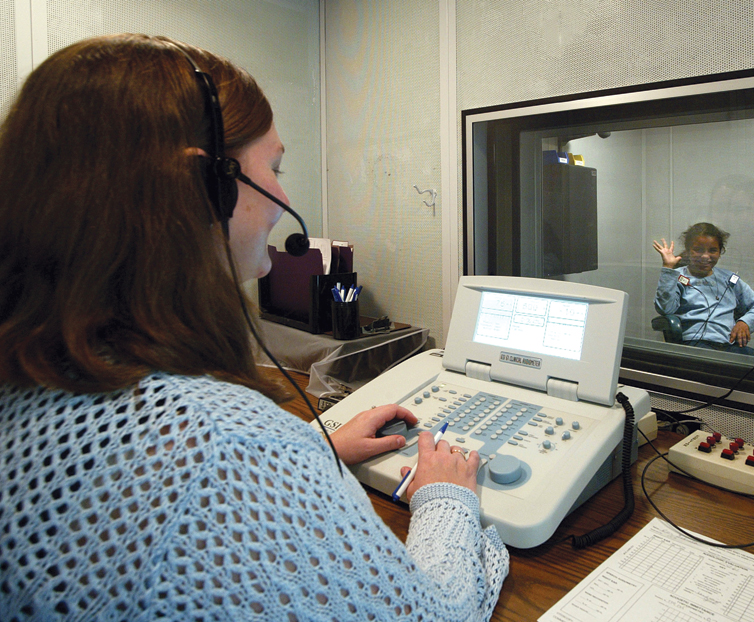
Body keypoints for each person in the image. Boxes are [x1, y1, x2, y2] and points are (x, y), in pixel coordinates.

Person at [0, 34, 507, 620]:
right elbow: (435, 615)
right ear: (200, 187)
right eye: (274, 167)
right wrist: (445, 496)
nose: (282, 198)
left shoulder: (36, 383)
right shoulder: (228, 446)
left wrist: (309, 455)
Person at [652, 222, 754, 356]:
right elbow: (665, 308)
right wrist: (668, 269)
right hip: (695, 345)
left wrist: (745, 322)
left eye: (712, 250)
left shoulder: (729, 279)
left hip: (729, 346)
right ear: (687, 250)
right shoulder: (678, 276)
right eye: (698, 249)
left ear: (720, 252)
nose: (705, 256)